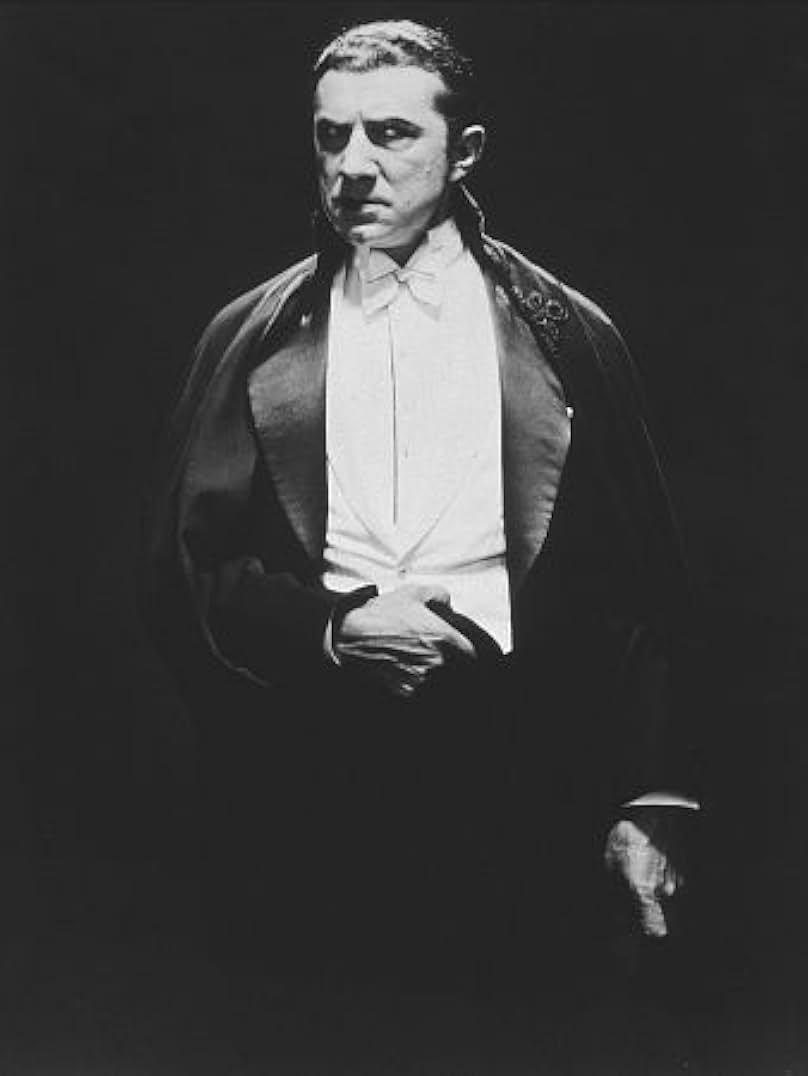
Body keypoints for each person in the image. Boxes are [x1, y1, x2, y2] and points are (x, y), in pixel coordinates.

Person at [142, 19, 698, 1002]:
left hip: (528, 784)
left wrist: (648, 799)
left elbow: (642, 584)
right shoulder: (248, 336)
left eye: (391, 133)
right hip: (309, 789)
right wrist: (330, 629)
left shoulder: (569, 333)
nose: (353, 165)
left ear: (464, 150)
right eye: (331, 136)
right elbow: (182, 571)